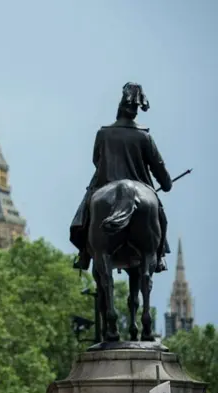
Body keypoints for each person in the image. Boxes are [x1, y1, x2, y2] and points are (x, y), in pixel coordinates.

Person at [69, 83, 172, 273]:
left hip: (105, 183)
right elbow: (160, 169)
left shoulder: (103, 133)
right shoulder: (144, 136)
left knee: (84, 213)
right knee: (160, 215)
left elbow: (96, 161)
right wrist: (166, 183)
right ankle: (159, 256)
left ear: (120, 107)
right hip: (142, 187)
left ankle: (83, 254)